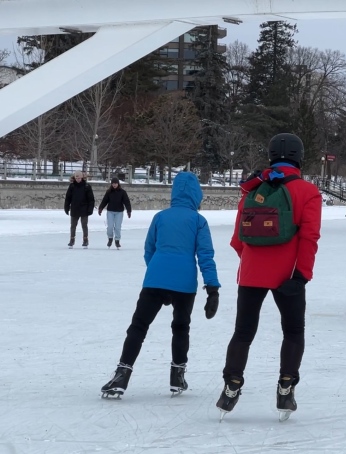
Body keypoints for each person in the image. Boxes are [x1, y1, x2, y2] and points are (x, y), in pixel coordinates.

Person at [216, 133, 322, 420]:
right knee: (293, 331)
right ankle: (286, 387)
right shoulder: (308, 192)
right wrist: (301, 275)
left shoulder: (254, 189)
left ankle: (231, 384)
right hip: (289, 275)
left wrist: (252, 262)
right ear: (300, 156)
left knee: (243, 332)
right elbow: (310, 237)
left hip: (251, 273)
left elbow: (239, 238)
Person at [100, 171, 221, 398]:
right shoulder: (198, 221)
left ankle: (121, 375)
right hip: (185, 284)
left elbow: (149, 250)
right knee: (181, 327)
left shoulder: (161, 217)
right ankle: (177, 377)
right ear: (197, 195)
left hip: (155, 279)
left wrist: (158, 274)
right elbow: (206, 256)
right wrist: (212, 289)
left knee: (138, 326)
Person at [64, 171, 96, 248]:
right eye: (76, 177)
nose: (78, 179)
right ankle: (72, 240)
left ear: (82, 177)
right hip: (74, 208)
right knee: (73, 226)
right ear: (74, 178)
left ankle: (85, 240)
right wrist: (66, 207)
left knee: (84, 225)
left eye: (79, 177)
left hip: (84, 209)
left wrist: (90, 209)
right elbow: (68, 198)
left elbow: (91, 199)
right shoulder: (72, 186)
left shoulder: (87, 186)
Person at [98, 177, 132, 249]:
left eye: (116, 183)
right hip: (110, 211)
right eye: (113, 183)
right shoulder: (109, 192)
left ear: (118, 184)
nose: (114, 185)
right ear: (111, 184)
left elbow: (126, 202)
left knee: (117, 227)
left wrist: (129, 210)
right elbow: (105, 200)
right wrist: (100, 208)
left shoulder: (122, 192)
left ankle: (117, 240)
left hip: (119, 212)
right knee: (110, 227)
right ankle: (110, 239)